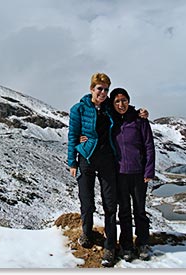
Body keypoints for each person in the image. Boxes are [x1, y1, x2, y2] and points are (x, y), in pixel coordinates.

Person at [67, 72, 118, 267]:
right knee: (87, 203)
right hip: (86, 159)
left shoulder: (109, 108)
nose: (103, 92)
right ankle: (86, 234)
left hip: (107, 160)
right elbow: (73, 136)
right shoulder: (78, 109)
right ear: (91, 89)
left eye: (106, 89)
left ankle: (110, 246)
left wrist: (141, 113)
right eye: (100, 88)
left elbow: (125, 111)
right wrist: (72, 162)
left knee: (110, 204)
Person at [109, 88, 155, 262]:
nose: (121, 104)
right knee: (125, 212)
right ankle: (127, 245)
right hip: (120, 174)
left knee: (140, 210)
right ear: (113, 104)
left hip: (138, 174)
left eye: (124, 100)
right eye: (117, 102)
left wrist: (149, 170)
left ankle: (142, 243)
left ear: (129, 101)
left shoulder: (139, 120)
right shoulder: (111, 122)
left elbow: (149, 146)